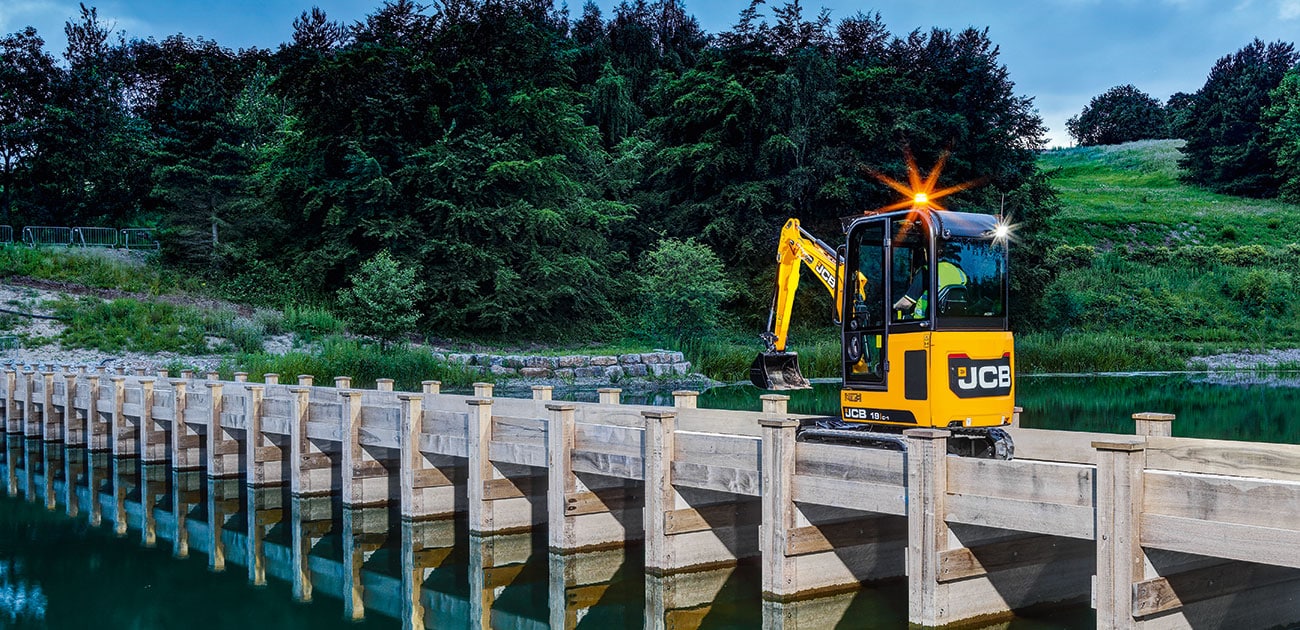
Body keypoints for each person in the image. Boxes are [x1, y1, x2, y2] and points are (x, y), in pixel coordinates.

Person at [893, 256, 967, 319]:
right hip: (952, 322)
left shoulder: (927, 271)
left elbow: (906, 303)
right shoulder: (960, 273)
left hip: (923, 322)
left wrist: (893, 306)